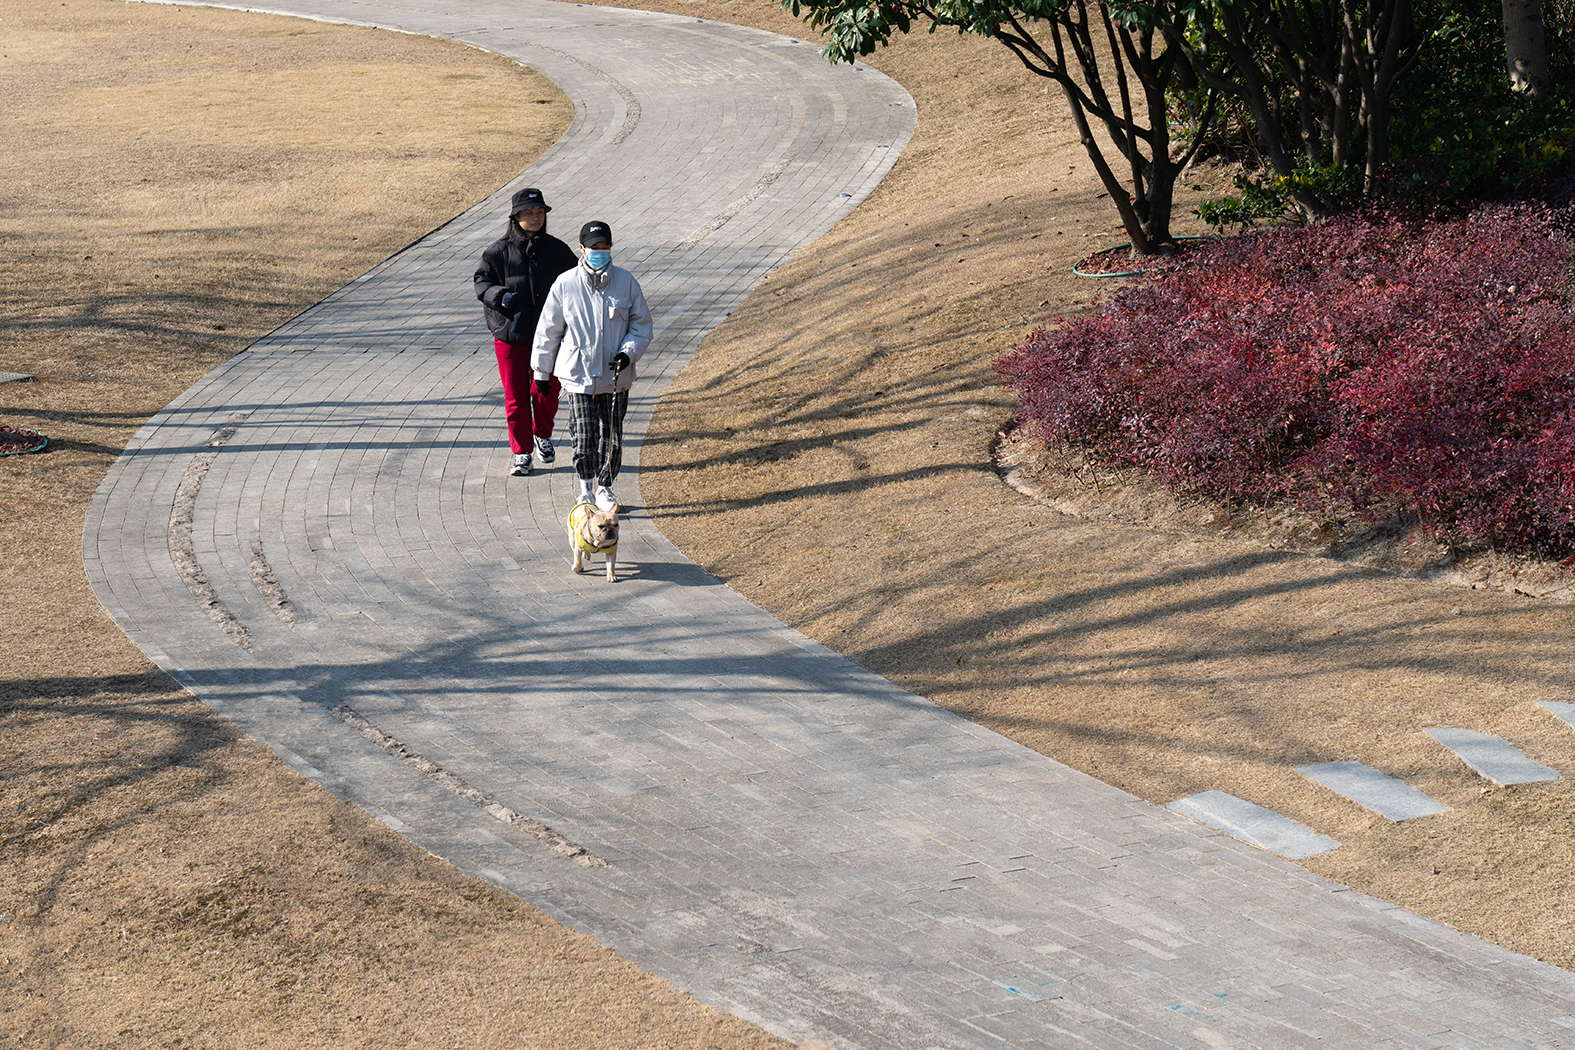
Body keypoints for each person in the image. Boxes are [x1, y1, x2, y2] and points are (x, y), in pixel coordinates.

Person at [532, 220, 652, 511]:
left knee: (612, 437)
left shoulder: (626, 282)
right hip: (577, 376)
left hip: (615, 378)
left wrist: (628, 353)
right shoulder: (565, 284)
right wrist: (541, 371)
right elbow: (549, 330)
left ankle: (605, 487)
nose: (600, 252)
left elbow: (641, 326)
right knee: (584, 436)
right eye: (594, 248)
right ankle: (585, 489)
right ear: (581, 248)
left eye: (605, 247)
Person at [473, 187, 578, 476]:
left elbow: (576, 285)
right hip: (511, 335)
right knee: (516, 396)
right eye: (529, 213)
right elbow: (482, 282)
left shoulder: (558, 251)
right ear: (515, 217)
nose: (535, 218)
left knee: (547, 390)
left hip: (550, 337)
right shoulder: (497, 252)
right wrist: (500, 296)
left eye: (540, 212)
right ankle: (521, 452)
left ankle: (542, 434)